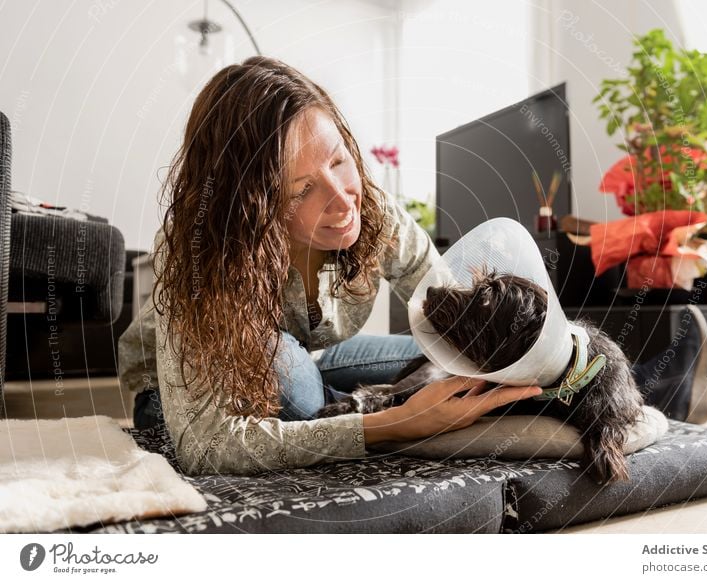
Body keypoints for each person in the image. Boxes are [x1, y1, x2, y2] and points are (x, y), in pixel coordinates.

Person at [118, 56, 544, 476]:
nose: (343, 200)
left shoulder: (377, 213)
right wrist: (393, 423)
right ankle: (345, 406)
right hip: (188, 390)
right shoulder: (199, 249)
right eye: (303, 189)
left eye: (339, 161)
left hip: (312, 359)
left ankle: (338, 402)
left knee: (439, 359)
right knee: (292, 383)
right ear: (254, 207)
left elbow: (453, 318)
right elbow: (207, 446)